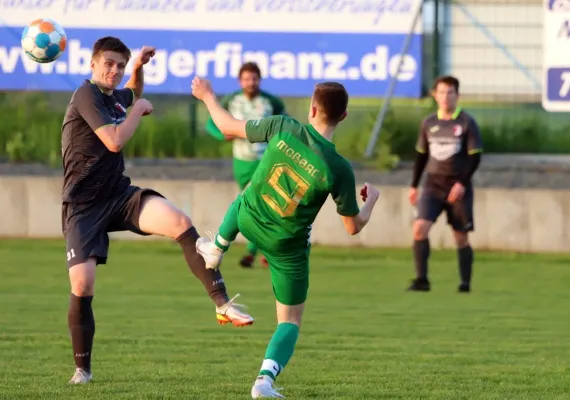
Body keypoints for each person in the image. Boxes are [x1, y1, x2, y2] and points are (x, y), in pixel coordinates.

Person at [61, 37, 253, 385]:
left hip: (118, 195)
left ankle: (222, 304)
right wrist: (137, 111)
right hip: (83, 206)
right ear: (92, 64)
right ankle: (82, 370)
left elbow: (131, 94)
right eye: (109, 63)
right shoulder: (86, 95)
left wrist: (137, 70)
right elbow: (115, 140)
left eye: (119, 65)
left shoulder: (112, 95)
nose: (114, 71)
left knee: (181, 222)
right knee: (83, 285)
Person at [191, 76, 380, 399]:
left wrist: (207, 96)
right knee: (290, 321)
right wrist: (372, 199)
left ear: (312, 108)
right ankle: (264, 380)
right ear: (343, 117)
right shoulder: (339, 168)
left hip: (248, 220)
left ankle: (217, 248)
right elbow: (352, 226)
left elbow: (226, 127)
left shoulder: (284, 126)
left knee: (248, 194)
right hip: (287, 247)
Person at [205, 62, 286, 268]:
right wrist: (223, 135)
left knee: (255, 204)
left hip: (265, 160)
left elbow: (285, 124)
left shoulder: (270, 102)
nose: (251, 82)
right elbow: (211, 123)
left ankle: (251, 251)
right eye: (247, 79)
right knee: (255, 207)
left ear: (260, 79)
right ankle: (265, 250)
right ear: (240, 81)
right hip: (241, 162)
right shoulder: (232, 100)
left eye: (254, 78)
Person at [407, 75, 483, 293]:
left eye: (450, 92)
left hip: (458, 187)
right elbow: (421, 156)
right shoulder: (428, 123)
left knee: (460, 236)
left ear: (457, 96)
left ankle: (465, 284)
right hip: (432, 185)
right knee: (419, 228)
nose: (445, 97)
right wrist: (414, 185)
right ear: (435, 95)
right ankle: (422, 280)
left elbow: (475, 157)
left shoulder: (467, 123)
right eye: (441, 92)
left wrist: (461, 183)